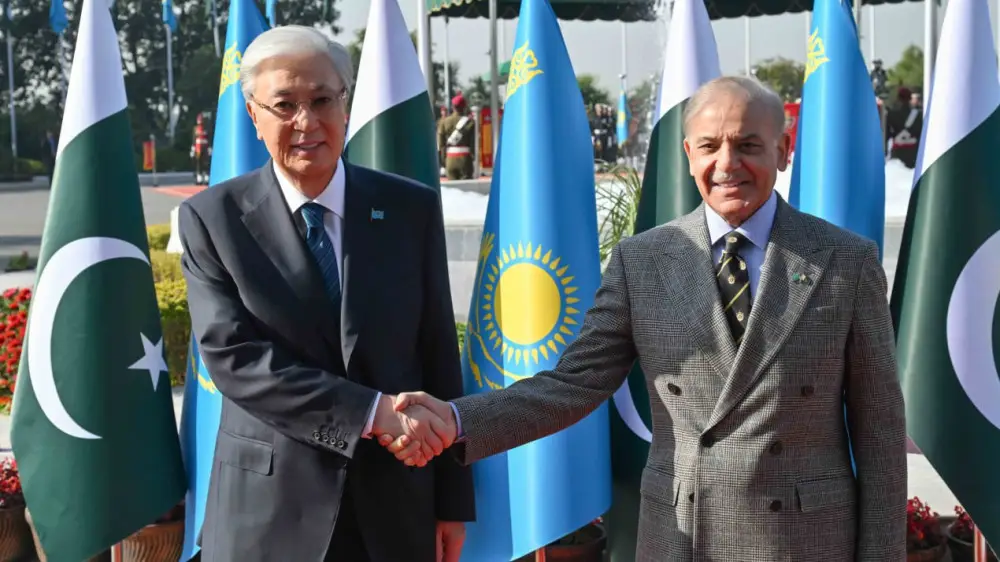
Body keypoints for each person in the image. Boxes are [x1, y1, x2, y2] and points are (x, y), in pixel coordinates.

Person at [384, 76, 907, 561]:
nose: (727, 164)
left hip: (805, 541)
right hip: (684, 537)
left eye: (748, 145)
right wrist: (457, 420)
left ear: (783, 150)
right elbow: (572, 385)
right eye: (710, 146)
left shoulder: (845, 261)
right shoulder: (643, 261)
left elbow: (880, 432)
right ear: (689, 155)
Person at [177, 25, 474, 562]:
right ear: (254, 115)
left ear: (345, 103)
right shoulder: (212, 220)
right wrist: (371, 413)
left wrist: (451, 502)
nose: (306, 122)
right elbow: (235, 358)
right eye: (284, 105)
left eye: (321, 100)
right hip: (267, 514)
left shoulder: (409, 208)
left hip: (396, 506)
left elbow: (437, 353)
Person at [436, 93, 475, 180]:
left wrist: (444, 161)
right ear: (464, 107)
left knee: (452, 187)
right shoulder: (470, 122)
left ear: (453, 107)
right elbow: (473, 145)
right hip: (465, 160)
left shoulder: (444, 122)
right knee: (467, 187)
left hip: (450, 159)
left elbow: (441, 144)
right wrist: (472, 158)